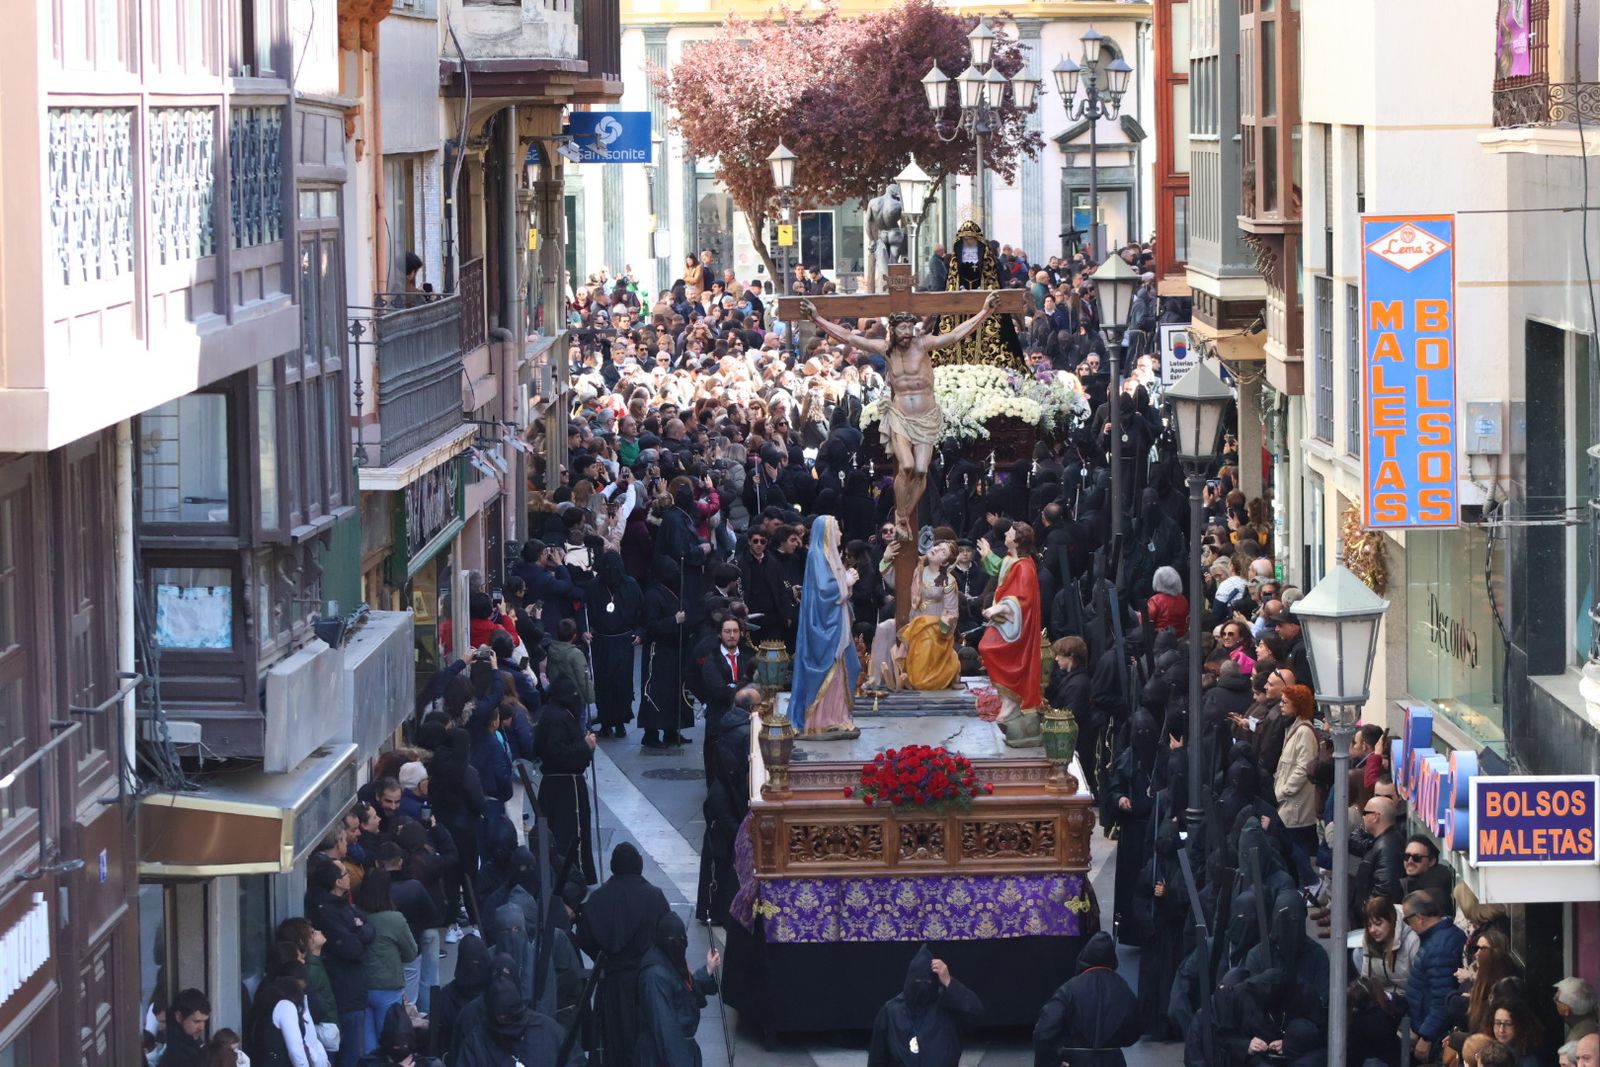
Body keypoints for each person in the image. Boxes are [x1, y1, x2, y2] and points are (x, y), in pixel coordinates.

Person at [577, 843, 671, 1067]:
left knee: (614, 1042)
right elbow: (667, 933)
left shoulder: (597, 899)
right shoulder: (654, 896)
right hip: (645, 981)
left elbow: (583, 936)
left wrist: (602, 954)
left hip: (612, 982)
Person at [787, 515, 861, 738]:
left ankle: (836, 717)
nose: (840, 534)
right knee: (830, 669)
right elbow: (824, 592)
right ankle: (820, 720)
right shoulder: (818, 556)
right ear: (827, 532)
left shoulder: (829, 556)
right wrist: (846, 582)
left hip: (835, 623)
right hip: (824, 626)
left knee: (842, 670)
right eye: (837, 529)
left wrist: (846, 582)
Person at [1032, 931, 1141, 1067]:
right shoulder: (1123, 989)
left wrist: (1052, 1061)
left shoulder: (1069, 989)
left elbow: (1044, 1031)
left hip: (1075, 1061)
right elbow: (1135, 1028)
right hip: (1112, 1061)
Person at [867, 946, 984, 1067]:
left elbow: (976, 1013)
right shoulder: (891, 1011)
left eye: (927, 982)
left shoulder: (946, 1006)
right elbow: (877, 1058)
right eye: (917, 981)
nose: (922, 986)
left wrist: (949, 982)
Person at [633, 912, 722, 1067]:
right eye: (673, 940)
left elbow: (684, 992)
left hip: (679, 1050)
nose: (678, 944)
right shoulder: (654, 975)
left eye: (681, 939)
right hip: (663, 1057)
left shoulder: (670, 961)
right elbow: (665, 1029)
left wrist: (708, 969)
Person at [977, 522, 1043, 728]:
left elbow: (1022, 600)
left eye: (1010, 532)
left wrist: (998, 609)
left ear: (1017, 540)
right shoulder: (1011, 559)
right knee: (986, 647)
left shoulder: (1025, 568)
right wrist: (987, 554)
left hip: (1015, 625)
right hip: (1006, 622)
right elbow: (1000, 569)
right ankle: (1008, 699)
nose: (1006, 533)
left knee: (989, 648)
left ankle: (1012, 699)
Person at [537, 675, 598, 884]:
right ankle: (572, 876)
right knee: (570, 834)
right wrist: (585, 746)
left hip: (555, 785)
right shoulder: (559, 718)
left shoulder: (551, 714)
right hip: (566, 787)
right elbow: (558, 752)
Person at [352, 870, 416, 1053]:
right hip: (388, 986)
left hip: (361, 985)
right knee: (391, 1041)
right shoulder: (395, 920)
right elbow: (411, 953)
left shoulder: (354, 914)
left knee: (368, 1046)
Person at [889, 534, 961, 690]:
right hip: (916, 623)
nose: (936, 549)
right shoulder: (919, 569)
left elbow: (951, 611)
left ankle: (946, 669)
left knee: (922, 676)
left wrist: (944, 625)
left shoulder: (948, 581)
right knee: (914, 662)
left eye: (943, 551)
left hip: (934, 628)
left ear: (945, 562)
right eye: (937, 546)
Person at [1404, 889, 1468, 1063]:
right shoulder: (1442, 936)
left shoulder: (1439, 948)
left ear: (1419, 917)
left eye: (1406, 919)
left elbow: (1441, 997)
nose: (1407, 926)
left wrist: (1426, 1037)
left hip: (1435, 1036)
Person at [586, 549, 644, 738]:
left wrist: (639, 632)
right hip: (601, 641)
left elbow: (641, 612)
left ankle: (620, 722)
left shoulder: (631, 585)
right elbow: (587, 613)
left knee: (622, 683)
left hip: (623, 640)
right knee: (603, 683)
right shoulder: (595, 586)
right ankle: (606, 722)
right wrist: (585, 631)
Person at [1354, 895, 1420, 1000]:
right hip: (1383, 999)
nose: (1372, 930)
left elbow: (1419, 985)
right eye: (1369, 925)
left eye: (1378, 924)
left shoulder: (1412, 940)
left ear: (1392, 920)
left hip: (1409, 999)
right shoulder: (1369, 940)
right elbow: (1367, 978)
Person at [355, 1003, 440, 1066]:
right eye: (396, 1045)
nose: (399, 1048)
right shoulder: (369, 1063)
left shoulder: (425, 1064)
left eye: (403, 1045)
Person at [1401, 833, 1454, 916]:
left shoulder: (1434, 896)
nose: (1410, 861)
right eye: (1407, 856)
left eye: (1416, 858)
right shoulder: (1404, 883)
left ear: (1431, 861)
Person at [164, 988, 214, 1067]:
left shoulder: (191, 1043)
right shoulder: (176, 1052)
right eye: (196, 1021)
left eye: (205, 1021)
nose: (202, 1027)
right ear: (179, 1017)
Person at [1557, 977, 1599, 1043]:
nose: (1555, 1002)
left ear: (1566, 1010)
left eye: (1556, 999)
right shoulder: (1594, 1027)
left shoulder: (1573, 1046)